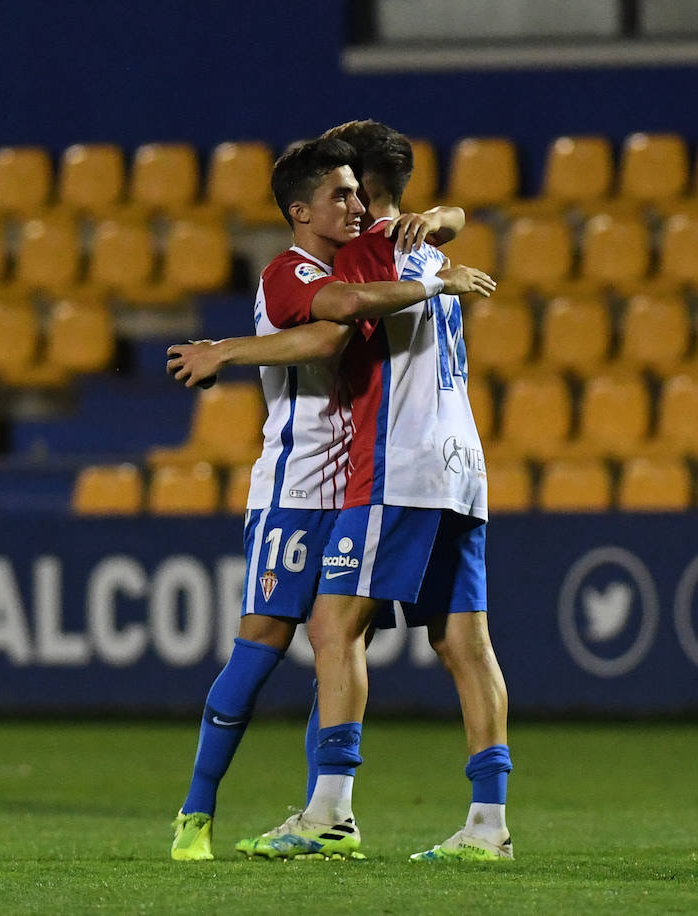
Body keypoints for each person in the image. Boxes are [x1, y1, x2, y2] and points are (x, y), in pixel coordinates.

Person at [185, 121, 512, 862]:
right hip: (465, 464)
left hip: (396, 467)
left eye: (350, 190)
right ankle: (489, 823)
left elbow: (334, 318)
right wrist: (451, 222)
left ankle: (330, 810)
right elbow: (445, 223)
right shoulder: (430, 246)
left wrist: (227, 351)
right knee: (465, 640)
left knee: (333, 627)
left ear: (365, 192)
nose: (350, 207)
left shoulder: (373, 254)